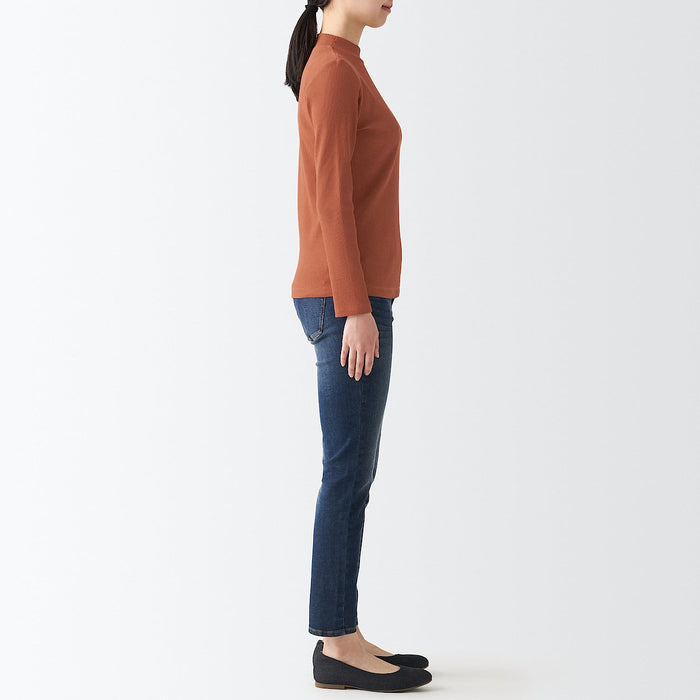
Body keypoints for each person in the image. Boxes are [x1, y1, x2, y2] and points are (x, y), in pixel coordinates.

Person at [284, 1, 432, 692]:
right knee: (345, 472)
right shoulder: (334, 70)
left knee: (353, 473)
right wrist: (354, 308)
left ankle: (344, 632)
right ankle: (335, 645)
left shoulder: (343, 64)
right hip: (348, 301)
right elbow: (331, 198)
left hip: (355, 297)